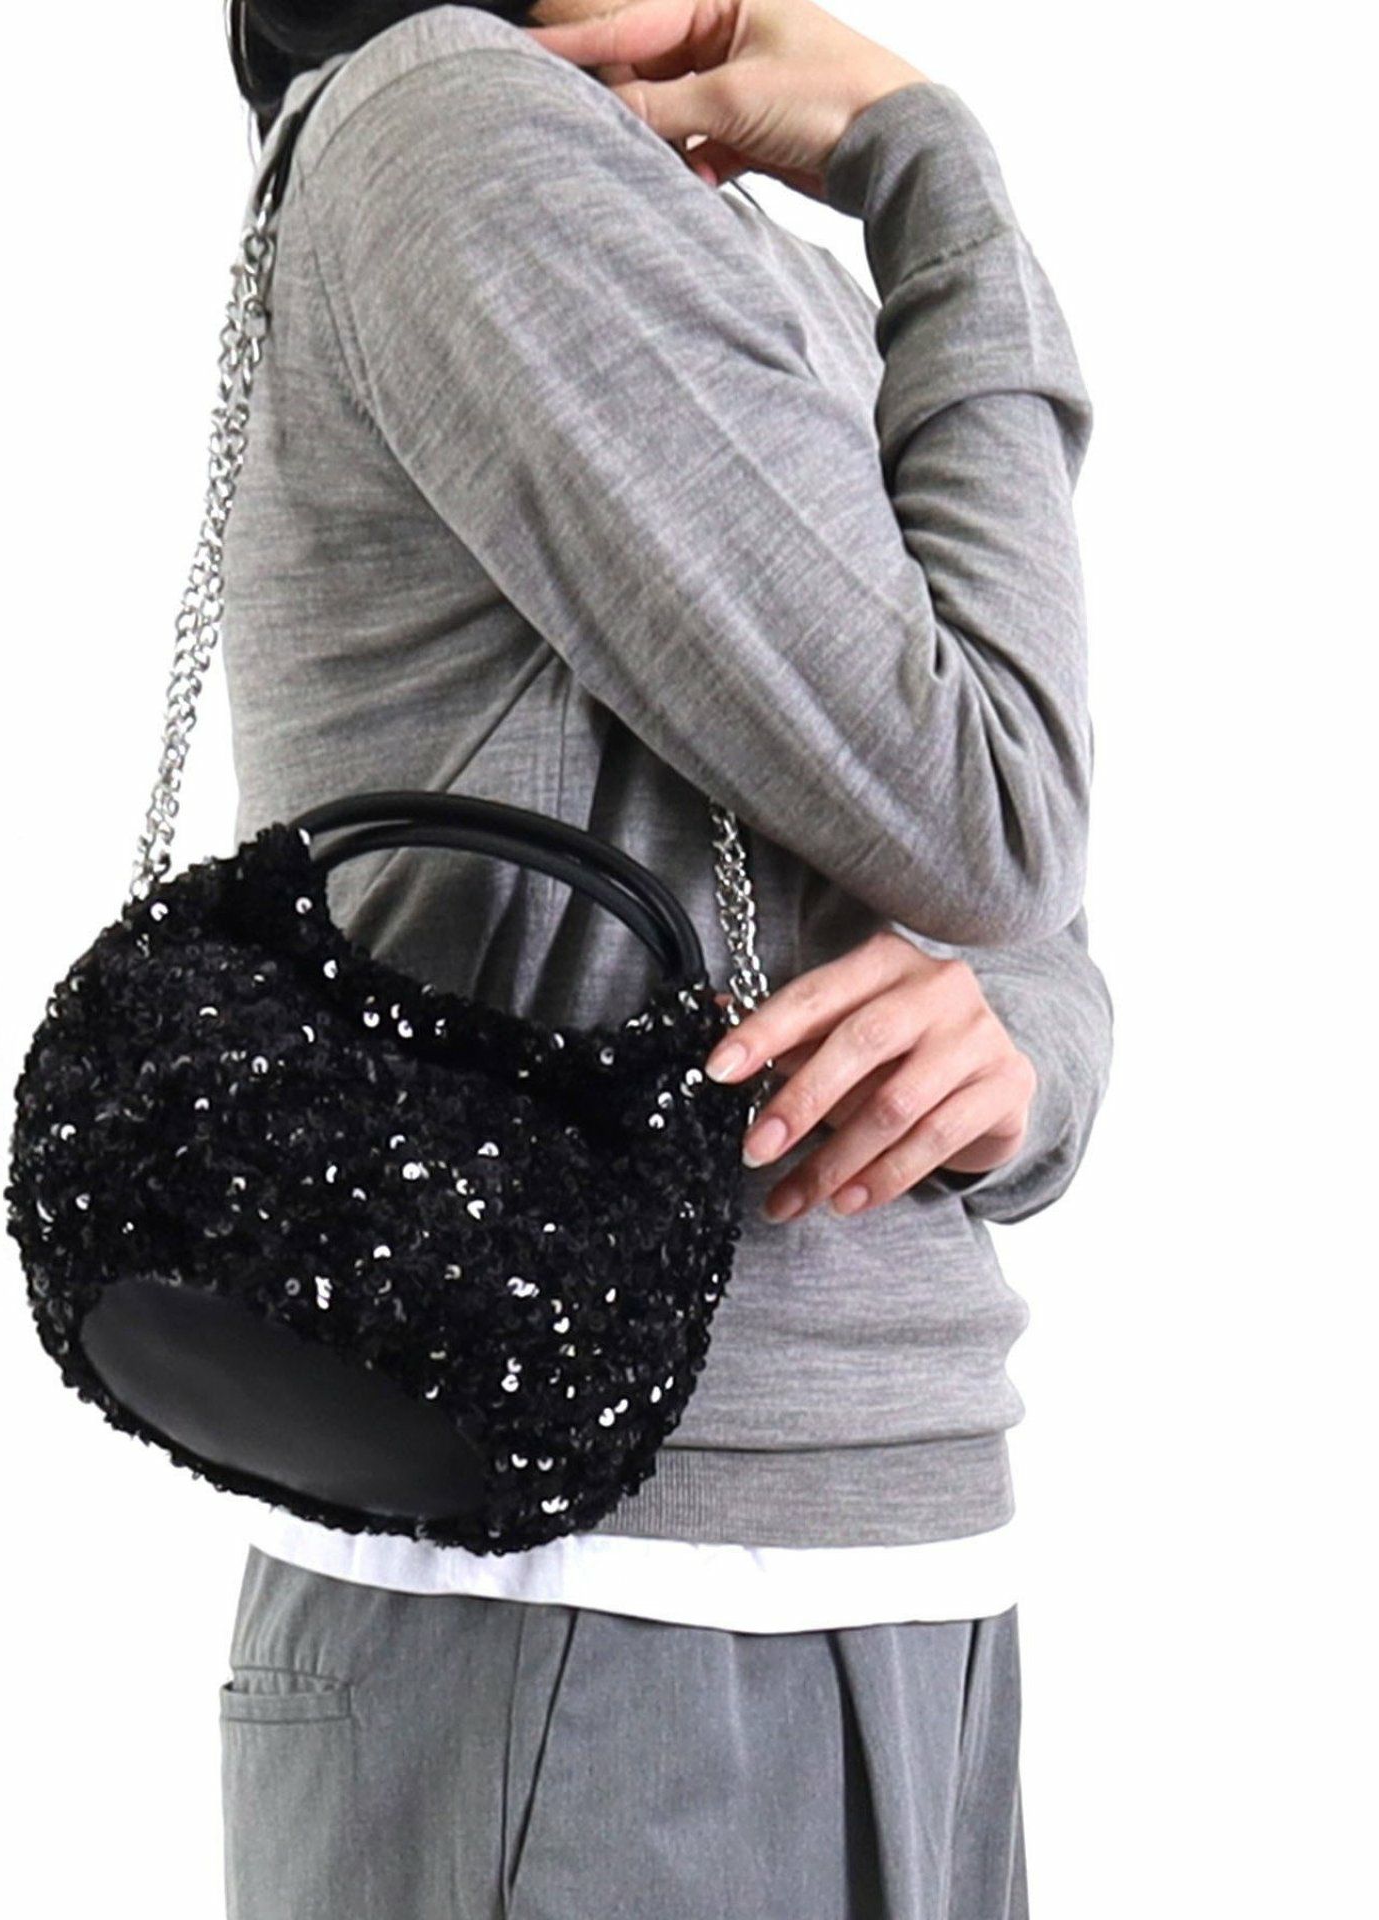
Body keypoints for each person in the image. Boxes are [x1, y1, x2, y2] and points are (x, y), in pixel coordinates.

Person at [214, 0, 1113, 1912]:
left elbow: (1020, 898)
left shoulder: (744, 255)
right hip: (587, 1591)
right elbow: (993, 804)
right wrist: (930, 166)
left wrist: (1019, 1045)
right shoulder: (456, 122)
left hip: (894, 1546)